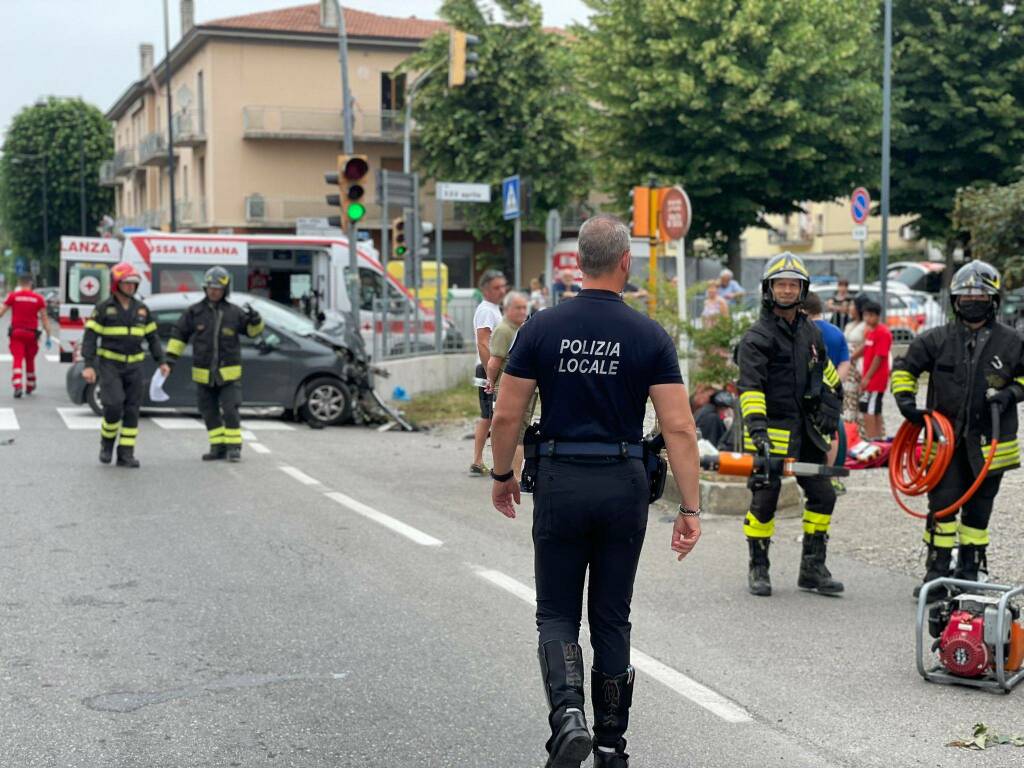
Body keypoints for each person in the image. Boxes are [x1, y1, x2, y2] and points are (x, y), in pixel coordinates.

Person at [490, 214, 702, 768]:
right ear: (626, 263)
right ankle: (611, 745)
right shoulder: (649, 335)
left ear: (579, 263)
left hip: (561, 481)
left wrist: (501, 475)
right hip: (623, 483)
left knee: (557, 612)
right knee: (611, 615)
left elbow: (508, 412)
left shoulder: (540, 328)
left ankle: (568, 719)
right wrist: (691, 506)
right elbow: (679, 427)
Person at [891, 261, 1024, 597]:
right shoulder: (935, 339)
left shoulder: (1012, 342)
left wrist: (1011, 393)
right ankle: (936, 575)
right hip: (945, 444)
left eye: (979, 293)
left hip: (991, 443)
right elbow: (905, 369)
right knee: (943, 507)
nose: (972, 299)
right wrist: (906, 402)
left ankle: (969, 571)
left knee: (978, 513)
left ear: (993, 298)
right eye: (965, 293)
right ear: (955, 300)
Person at [737, 252, 844, 597]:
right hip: (770, 434)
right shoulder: (757, 337)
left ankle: (812, 568)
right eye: (780, 284)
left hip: (808, 433)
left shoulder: (811, 332)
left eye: (792, 284)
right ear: (769, 289)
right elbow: (750, 388)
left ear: (802, 289)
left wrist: (831, 404)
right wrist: (757, 432)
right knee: (764, 501)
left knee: (823, 495)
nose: (786, 290)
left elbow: (828, 375)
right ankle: (758, 567)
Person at [164, 267, 264, 462]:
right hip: (203, 375)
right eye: (210, 287)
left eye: (218, 288)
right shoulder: (194, 312)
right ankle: (217, 447)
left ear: (225, 290)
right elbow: (179, 335)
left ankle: (234, 447)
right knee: (209, 412)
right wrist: (170, 360)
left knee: (230, 410)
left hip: (228, 375)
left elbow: (253, 332)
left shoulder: (234, 313)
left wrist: (256, 320)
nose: (213, 291)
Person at [80, 262, 167, 468]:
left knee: (132, 410)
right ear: (116, 284)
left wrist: (161, 361)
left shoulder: (142, 310)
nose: (131, 287)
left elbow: (153, 338)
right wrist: (89, 365)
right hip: (110, 365)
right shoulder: (103, 309)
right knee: (113, 405)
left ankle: (126, 453)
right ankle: (107, 444)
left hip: (135, 367)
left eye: (134, 284)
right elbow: (90, 337)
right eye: (127, 283)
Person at [804, 291, 851, 492]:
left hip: (806, 391)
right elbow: (845, 362)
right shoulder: (836, 332)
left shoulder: (804, 331)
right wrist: (833, 385)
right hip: (830, 392)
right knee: (830, 433)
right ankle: (829, 477)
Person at [486, 291, 535, 480]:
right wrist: (491, 381)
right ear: (507, 309)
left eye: (525, 307)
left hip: (524, 386)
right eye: (518, 308)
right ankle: (513, 475)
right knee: (515, 432)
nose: (523, 312)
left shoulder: (521, 328)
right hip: (509, 386)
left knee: (520, 431)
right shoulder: (504, 330)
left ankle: (513, 473)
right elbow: (494, 361)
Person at [470, 269, 508, 476]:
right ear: (485, 289)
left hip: (491, 368)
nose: (501, 291)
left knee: (491, 416)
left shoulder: (493, 309)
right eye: (496, 287)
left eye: (503, 286)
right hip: (487, 369)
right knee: (490, 416)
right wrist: (490, 374)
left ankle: (481, 460)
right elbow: (483, 342)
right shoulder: (486, 310)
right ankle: (479, 460)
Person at [0, 273, 53, 397]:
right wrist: (49, 335)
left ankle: (17, 384)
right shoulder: (38, 298)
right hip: (31, 334)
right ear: (31, 283)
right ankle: (30, 384)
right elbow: (45, 318)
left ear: (19, 283)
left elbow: (1, 312)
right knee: (30, 359)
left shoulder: (13, 296)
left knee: (17, 359)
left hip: (16, 333)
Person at [859, 300, 892, 440]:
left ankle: (872, 440)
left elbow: (879, 357)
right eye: (866, 315)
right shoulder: (870, 332)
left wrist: (867, 378)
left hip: (875, 379)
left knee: (868, 409)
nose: (867, 318)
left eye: (871, 315)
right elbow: (865, 348)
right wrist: (851, 357)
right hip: (870, 378)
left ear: (878, 316)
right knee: (875, 409)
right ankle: (878, 438)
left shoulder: (883, 333)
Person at [843, 296, 868, 429]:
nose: (850, 308)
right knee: (848, 398)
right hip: (849, 367)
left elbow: (867, 345)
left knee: (861, 400)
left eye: (852, 305)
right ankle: (850, 430)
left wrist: (852, 356)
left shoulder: (866, 326)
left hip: (859, 366)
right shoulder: (850, 324)